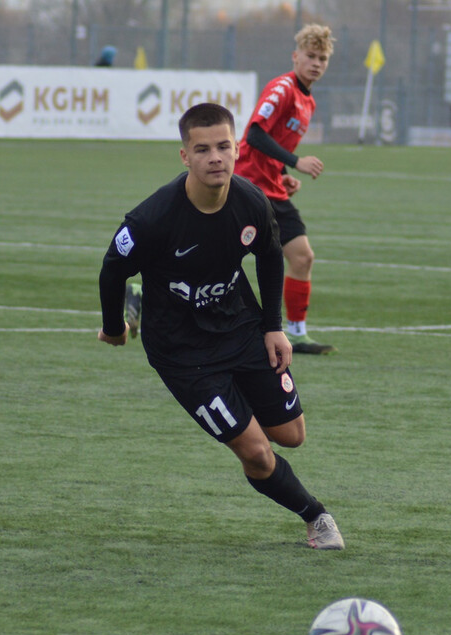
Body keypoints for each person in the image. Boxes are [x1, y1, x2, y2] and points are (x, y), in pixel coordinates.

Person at [97, 102, 344, 551]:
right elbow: (112, 268)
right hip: (182, 352)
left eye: (224, 147)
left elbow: (270, 255)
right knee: (256, 451)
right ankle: (316, 516)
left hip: (241, 327)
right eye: (203, 148)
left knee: (292, 435)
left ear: (235, 150)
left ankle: (239, 400)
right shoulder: (153, 218)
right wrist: (114, 328)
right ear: (185, 157)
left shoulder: (251, 202)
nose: (215, 157)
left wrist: (274, 327)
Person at [234, 24, 337, 355]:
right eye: (310, 56)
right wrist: (295, 162)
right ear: (296, 56)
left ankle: (296, 333)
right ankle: (145, 293)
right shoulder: (282, 88)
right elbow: (254, 135)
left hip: (272, 188)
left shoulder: (309, 101)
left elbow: (273, 143)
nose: (316, 63)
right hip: (247, 184)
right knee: (216, 257)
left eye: (322, 58)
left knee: (302, 256)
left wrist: (282, 172)